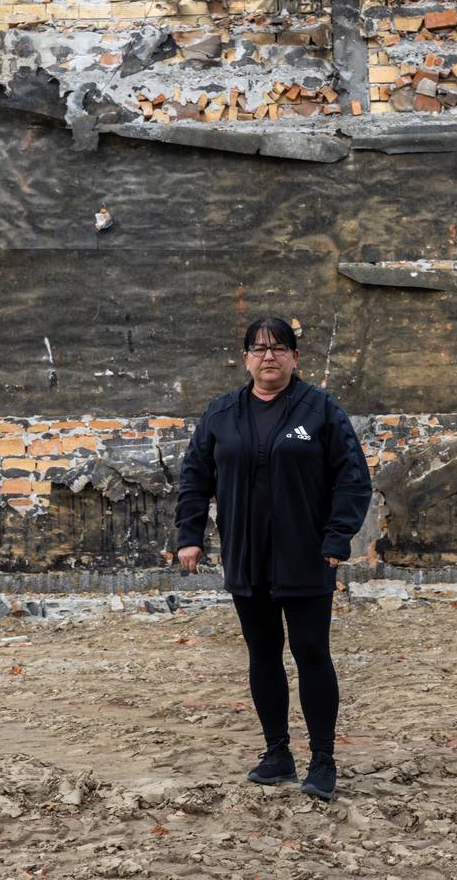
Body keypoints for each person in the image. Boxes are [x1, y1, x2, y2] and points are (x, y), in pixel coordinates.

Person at [175, 316, 372, 801]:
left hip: (306, 557)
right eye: (259, 349)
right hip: (247, 557)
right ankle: (277, 753)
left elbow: (353, 478)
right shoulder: (222, 413)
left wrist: (336, 539)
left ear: (294, 358)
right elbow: (195, 477)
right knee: (263, 654)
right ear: (245, 358)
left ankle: (322, 760)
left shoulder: (320, 409)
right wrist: (189, 535)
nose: (269, 356)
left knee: (311, 655)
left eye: (279, 348)